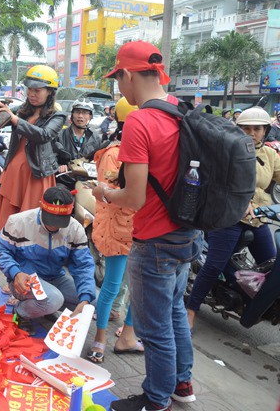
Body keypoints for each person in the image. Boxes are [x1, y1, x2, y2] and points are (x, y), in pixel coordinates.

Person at [93, 40, 199, 411]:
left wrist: (105, 192)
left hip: (154, 238)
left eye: (117, 78)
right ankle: (182, 384)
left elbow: (134, 198)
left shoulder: (139, 120)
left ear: (127, 74)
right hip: (187, 232)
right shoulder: (181, 110)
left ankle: (155, 400)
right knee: (174, 314)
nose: (117, 86)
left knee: (154, 330)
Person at [186, 107, 280, 330]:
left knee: (271, 267)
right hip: (227, 216)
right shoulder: (226, 152)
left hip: (257, 218)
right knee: (213, 266)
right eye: (246, 128)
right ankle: (191, 309)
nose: (251, 133)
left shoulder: (270, 155)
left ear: (265, 131)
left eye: (257, 129)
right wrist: (241, 200)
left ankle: (252, 303)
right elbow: (217, 182)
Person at [0, 65, 66, 230]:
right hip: (14, 172)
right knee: (9, 224)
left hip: (36, 175)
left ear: (50, 91)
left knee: (31, 225)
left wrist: (14, 119)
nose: (32, 94)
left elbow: (43, 135)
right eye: (30, 89)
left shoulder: (58, 116)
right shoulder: (22, 111)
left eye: (37, 90)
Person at [0, 186, 96, 333]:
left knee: (94, 302)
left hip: (56, 279)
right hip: (25, 280)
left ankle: (45, 307)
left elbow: (84, 266)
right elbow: (0, 250)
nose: (54, 225)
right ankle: (21, 311)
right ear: (41, 207)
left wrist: (85, 297)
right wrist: (15, 273)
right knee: (54, 299)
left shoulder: (75, 228)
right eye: (50, 219)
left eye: (59, 221)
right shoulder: (19, 221)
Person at [87, 97, 143, 364]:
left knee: (138, 288)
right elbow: (109, 193)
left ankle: (128, 334)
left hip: (141, 228)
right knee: (111, 285)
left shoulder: (146, 151)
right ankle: (100, 337)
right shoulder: (114, 153)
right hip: (119, 229)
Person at [54, 98, 102, 170]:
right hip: (65, 179)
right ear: (72, 114)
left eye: (85, 112)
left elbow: (99, 160)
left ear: (90, 116)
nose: (80, 116)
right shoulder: (60, 135)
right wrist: (59, 166)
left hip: (87, 180)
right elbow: (51, 159)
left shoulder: (95, 137)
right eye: (77, 112)